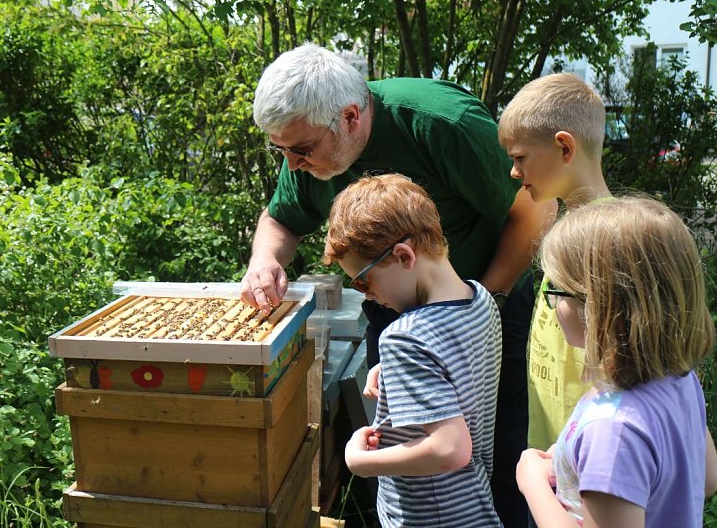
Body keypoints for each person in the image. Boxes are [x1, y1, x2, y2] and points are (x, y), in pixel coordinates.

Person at [240, 42, 555, 527]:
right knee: (405, 440)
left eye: (301, 150)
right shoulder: (305, 143)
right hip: (419, 316)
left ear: (348, 117)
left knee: (502, 455)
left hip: (486, 304)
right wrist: (264, 259)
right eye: (281, 150)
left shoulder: (442, 123)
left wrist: (479, 305)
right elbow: (281, 218)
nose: (293, 164)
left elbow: (536, 207)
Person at [516, 197, 717, 527]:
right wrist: (576, 462)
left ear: (597, 306)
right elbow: (707, 480)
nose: (552, 302)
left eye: (556, 288)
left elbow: (617, 450)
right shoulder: (680, 378)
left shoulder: (611, 429)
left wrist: (533, 483)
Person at [324, 173, 502, 527]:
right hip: (473, 506)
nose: (366, 294)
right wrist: (395, 374)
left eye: (363, 279)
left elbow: (450, 449)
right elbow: (457, 371)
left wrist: (360, 462)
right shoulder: (480, 299)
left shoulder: (405, 338)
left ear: (404, 256)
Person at [497, 72, 613, 453]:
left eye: (520, 158)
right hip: (554, 450)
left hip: (588, 462)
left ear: (564, 148)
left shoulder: (611, 239)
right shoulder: (573, 229)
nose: (515, 172)